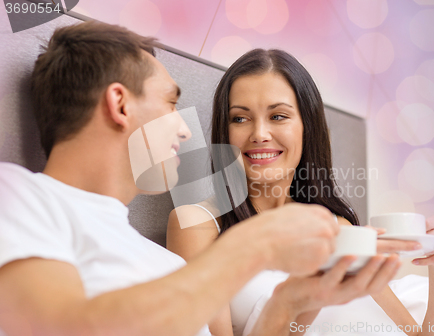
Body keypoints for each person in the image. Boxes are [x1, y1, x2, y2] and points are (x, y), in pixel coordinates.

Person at [0, 22, 405, 336]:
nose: (186, 130)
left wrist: (290, 303)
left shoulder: (163, 263)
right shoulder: (18, 193)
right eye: (171, 103)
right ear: (120, 104)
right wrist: (256, 244)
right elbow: (55, 327)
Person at [166, 49, 434, 336]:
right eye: (240, 118)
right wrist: (308, 293)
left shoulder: (336, 226)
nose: (259, 134)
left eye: (278, 116)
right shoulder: (197, 224)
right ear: (225, 129)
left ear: (306, 126)